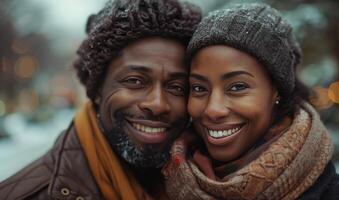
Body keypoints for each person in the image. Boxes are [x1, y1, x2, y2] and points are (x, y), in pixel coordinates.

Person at [0, 0, 201, 199]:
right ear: (97, 90)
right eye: (134, 81)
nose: (158, 104)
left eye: (177, 87)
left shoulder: (214, 183)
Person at [162, 3, 339, 200]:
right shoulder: (163, 184)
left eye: (237, 87)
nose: (213, 110)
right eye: (199, 88)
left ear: (276, 91)